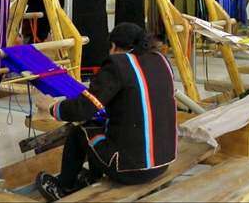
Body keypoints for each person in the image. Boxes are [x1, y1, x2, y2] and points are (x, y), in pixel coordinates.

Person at [34, 23, 177, 201]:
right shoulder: (161, 60)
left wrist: (52, 107)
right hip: (163, 162)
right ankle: (92, 177)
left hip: (132, 171)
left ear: (114, 46)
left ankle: (63, 187)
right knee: (103, 126)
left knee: (81, 132)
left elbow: (84, 109)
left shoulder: (119, 64)